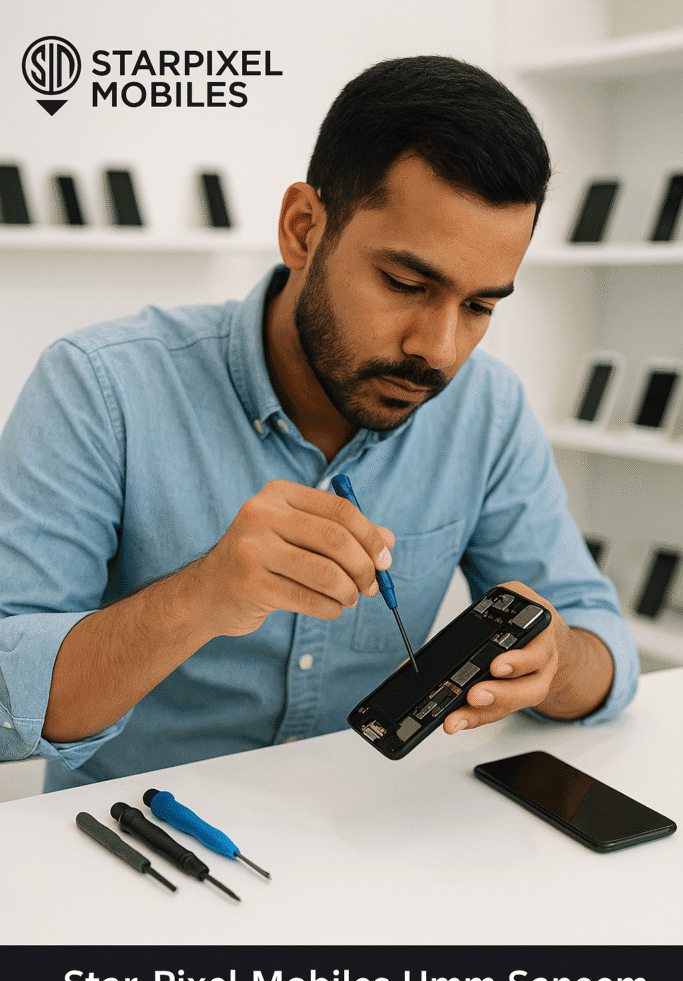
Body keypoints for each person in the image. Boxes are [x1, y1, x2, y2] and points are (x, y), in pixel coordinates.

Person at [0, 56, 638, 791]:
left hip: (362, 841)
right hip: (144, 844)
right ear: (303, 229)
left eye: (479, 307)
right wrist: (201, 595)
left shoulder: (486, 409)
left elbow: (600, 641)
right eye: (405, 284)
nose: (437, 349)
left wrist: (556, 662)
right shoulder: (100, 386)